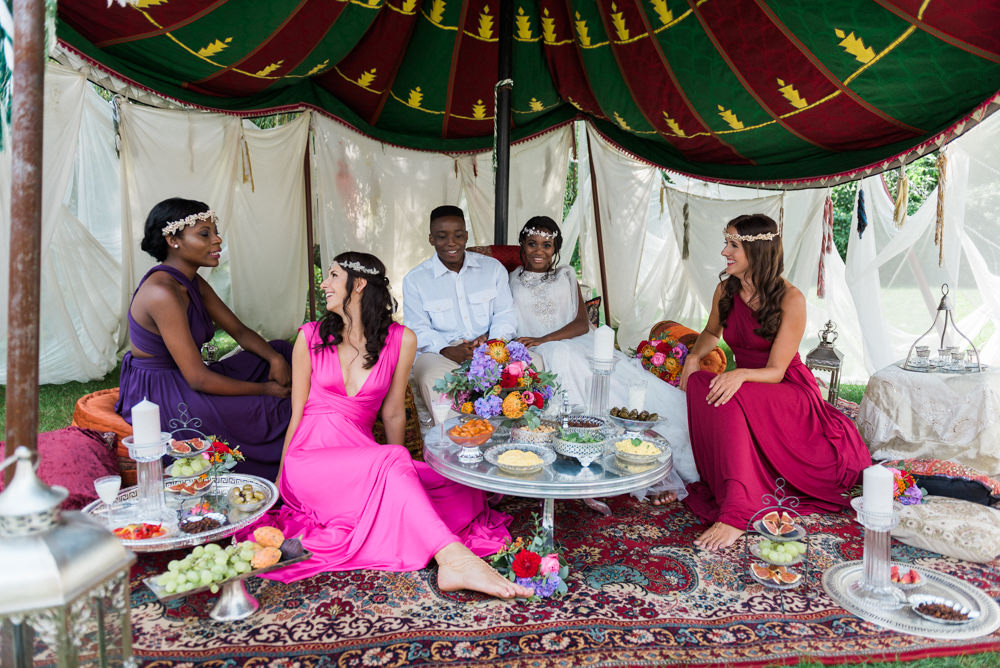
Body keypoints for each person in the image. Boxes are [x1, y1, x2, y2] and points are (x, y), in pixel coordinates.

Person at [265, 252, 531, 598]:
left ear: (358, 285)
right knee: (392, 461)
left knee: (459, 488)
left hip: (363, 458)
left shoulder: (401, 339)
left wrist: (401, 465)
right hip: (310, 460)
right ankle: (453, 559)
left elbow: (392, 413)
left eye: (332, 276)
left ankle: (413, 510)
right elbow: (296, 413)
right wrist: (280, 479)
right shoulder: (310, 336)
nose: (324, 283)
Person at [680, 214, 871, 551]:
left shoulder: (790, 299)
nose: (725, 251)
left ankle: (737, 512)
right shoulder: (726, 289)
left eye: (733, 245)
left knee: (730, 391)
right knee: (699, 383)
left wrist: (738, 374)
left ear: (758, 252)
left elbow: (777, 370)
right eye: (726, 242)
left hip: (786, 389)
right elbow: (712, 332)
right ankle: (730, 481)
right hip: (748, 387)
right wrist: (694, 357)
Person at [508, 216, 697, 497]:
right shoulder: (511, 279)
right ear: (522, 245)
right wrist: (531, 343)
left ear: (556, 248)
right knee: (562, 358)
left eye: (547, 245)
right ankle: (581, 451)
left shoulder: (566, 275)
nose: (539, 251)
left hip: (575, 340)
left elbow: (582, 323)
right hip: (538, 348)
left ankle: (636, 460)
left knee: (607, 379)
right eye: (532, 243)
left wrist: (544, 339)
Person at [116, 198, 292, 480]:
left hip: (187, 375)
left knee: (283, 350)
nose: (217, 239)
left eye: (215, 231)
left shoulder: (190, 281)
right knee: (272, 407)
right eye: (205, 234)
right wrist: (265, 390)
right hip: (163, 391)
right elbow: (198, 378)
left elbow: (240, 332)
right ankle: (286, 473)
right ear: (173, 240)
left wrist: (273, 358)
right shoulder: (162, 293)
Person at [403, 205, 518, 414]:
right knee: (433, 379)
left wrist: (493, 344)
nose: (451, 243)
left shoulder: (492, 269)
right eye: (442, 236)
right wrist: (447, 350)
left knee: (528, 366)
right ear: (431, 239)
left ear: (466, 236)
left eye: (457, 235)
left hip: (491, 346)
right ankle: (457, 440)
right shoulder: (415, 280)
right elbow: (417, 329)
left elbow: (505, 314)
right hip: (439, 352)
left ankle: (511, 438)